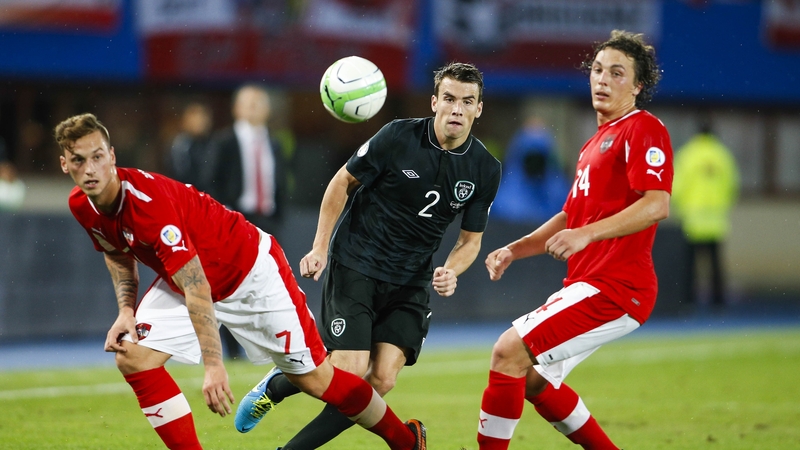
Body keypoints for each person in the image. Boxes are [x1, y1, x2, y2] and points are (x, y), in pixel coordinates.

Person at [55, 113, 426, 450]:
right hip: (190, 278)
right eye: (78, 160)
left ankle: (406, 441)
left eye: (98, 156)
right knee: (133, 357)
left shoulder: (148, 205)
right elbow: (117, 252)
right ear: (64, 164)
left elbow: (197, 286)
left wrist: (214, 366)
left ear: (113, 155)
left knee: (318, 381)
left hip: (250, 272)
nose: (90, 169)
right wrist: (124, 311)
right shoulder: (80, 204)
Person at [235, 62, 501, 449]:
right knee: (350, 371)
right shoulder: (397, 137)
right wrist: (320, 247)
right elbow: (342, 182)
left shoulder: (485, 169)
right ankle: (276, 390)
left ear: (479, 109)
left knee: (381, 381)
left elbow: (471, 240)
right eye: (449, 99)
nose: (456, 109)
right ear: (434, 102)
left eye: (467, 101)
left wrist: (451, 269)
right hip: (358, 263)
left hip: (411, 280)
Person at [476, 30, 673, 450]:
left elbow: (656, 205)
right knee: (529, 378)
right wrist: (516, 249)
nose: (602, 79)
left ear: (637, 86)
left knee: (506, 351)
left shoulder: (643, 129)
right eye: (598, 70)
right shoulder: (594, 143)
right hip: (590, 283)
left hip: (617, 287)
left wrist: (587, 234)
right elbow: (570, 215)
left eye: (617, 73)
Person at [671, 117, 740, 306]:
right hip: (716, 220)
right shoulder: (723, 155)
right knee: (716, 266)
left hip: (691, 220)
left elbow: (677, 186)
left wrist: (681, 206)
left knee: (689, 266)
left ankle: (687, 301)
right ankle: (718, 303)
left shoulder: (687, 154)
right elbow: (732, 185)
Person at [205, 84, 288, 236]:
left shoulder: (275, 144)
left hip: (268, 222)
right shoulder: (223, 142)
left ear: (268, 110)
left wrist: (278, 217)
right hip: (235, 219)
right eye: (250, 104)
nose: (254, 108)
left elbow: (280, 182)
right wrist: (224, 214)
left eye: (259, 104)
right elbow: (211, 181)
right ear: (236, 108)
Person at [491, 113, 570, 224]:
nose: (535, 163)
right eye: (530, 157)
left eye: (540, 157)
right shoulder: (500, 200)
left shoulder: (561, 196)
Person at [166, 101, 214, 191]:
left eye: (203, 115)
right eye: (194, 115)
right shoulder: (178, 146)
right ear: (185, 119)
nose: (200, 120)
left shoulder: (215, 145)